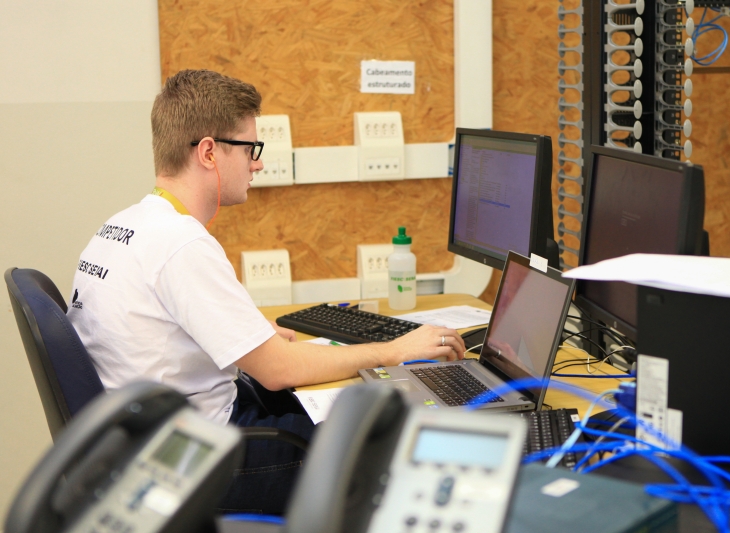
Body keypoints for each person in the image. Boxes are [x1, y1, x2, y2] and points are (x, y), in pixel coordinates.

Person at [66, 69, 466, 514]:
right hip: (194, 461)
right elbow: (278, 371)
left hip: (143, 444)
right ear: (209, 152)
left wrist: (252, 335)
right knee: (383, 437)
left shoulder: (125, 224)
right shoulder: (181, 244)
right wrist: (393, 350)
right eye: (249, 149)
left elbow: (156, 329)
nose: (256, 163)